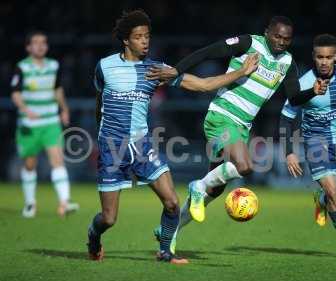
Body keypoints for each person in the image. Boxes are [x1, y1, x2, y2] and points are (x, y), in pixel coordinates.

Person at [87, 9, 259, 264]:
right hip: (113, 148)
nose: (145, 41)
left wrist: (240, 72)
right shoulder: (105, 67)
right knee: (109, 218)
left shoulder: (157, 70)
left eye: (147, 36)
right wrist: (102, 135)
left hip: (142, 145)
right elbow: (100, 101)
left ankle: (165, 252)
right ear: (126, 40)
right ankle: (93, 234)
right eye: (138, 37)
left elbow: (202, 85)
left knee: (171, 203)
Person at [147, 16, 328, 229]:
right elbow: (209, 51)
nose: (281, 41)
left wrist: (312, 92)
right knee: (244, 166)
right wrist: (177, 70)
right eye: (277, 36)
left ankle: (170, 231)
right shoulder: (249, 43)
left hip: (241, 127)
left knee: (214, 189)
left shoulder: (288, 63)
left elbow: (294, 98)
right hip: (221, 117)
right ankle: (197, 185)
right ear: (267, 32)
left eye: (286, 39)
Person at [280, 34, 336, 260]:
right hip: (315, 142)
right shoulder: (302, 84)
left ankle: (320, 200)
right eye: (319, 57)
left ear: (335, 57)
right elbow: (285, 118)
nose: (323, 61)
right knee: (333, 193)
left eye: (328, 57)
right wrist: (289, 152)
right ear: (314, 57)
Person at [10, 31, 79, 218]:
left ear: (47, 46)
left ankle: (65, 202)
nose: (40, 46)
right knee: (30, 164)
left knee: (57, 160)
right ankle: (30, 203)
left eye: (43, 43)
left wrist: (64, 108)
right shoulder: (21, 68)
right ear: (28, 47)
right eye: (36, 43)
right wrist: (25, 109)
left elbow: (57, 88)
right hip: (29, 124)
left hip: (50, 122)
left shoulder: (53, 66)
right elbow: (15, 93)